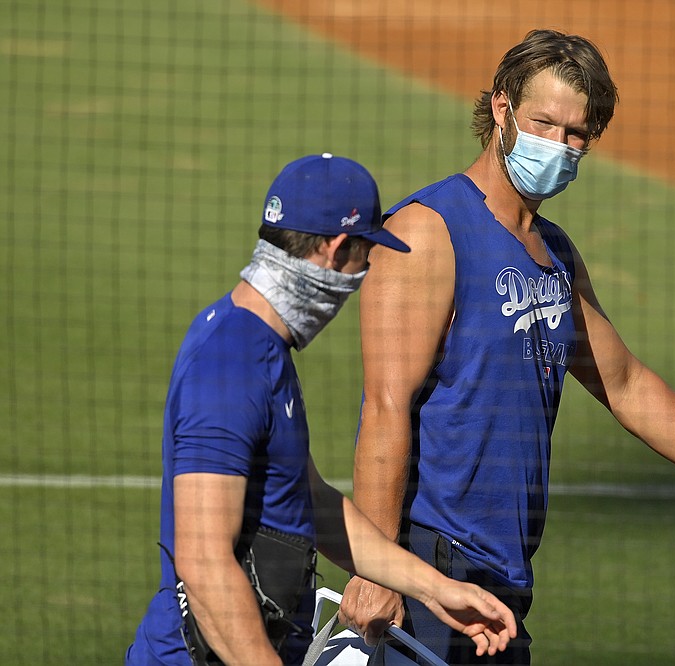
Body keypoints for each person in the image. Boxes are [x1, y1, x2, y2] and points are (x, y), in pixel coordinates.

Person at [339, 29, 675, 665]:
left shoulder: (553, 252)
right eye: (544, 123)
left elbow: (624, 384)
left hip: (503, 573)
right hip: (430, 566)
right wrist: (376, 567)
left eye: (576, 135)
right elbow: (385, 405)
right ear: (502, 110)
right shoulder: (428, 232)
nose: (558, 146)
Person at [125, 153, 517, 666]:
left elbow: (312, 503)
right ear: (336, 250)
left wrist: (433, 588)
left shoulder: (260, 346)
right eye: (365, 256)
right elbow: (202, 562)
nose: (365, 275)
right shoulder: (232, 362)